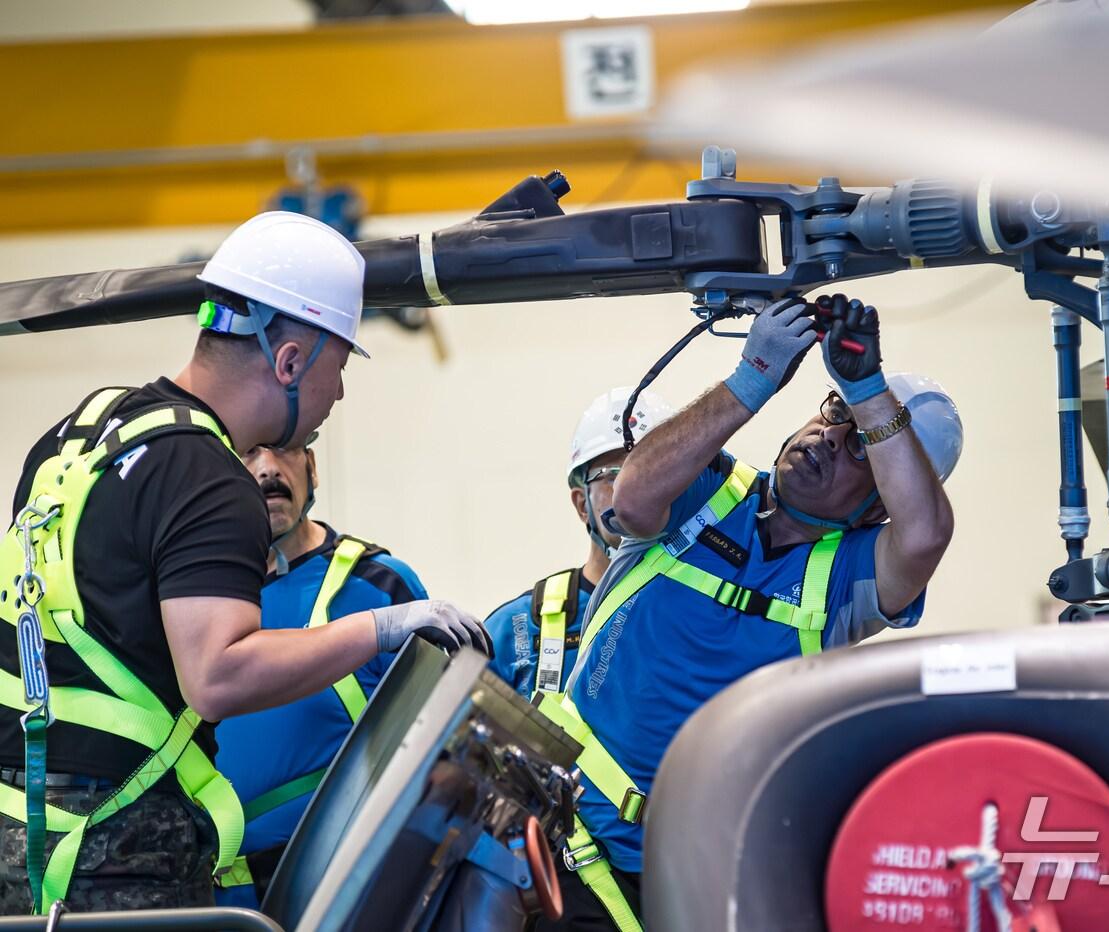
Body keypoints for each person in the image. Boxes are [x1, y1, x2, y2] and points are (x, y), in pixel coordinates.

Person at [0, 212, 488, 916]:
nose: (339, 394)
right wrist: (382, 626)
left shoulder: (81, 435)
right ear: (289, 361)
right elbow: (217, 677)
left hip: (21, 835)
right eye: (337, 368)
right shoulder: (208, 476)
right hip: (116, 854)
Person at [540, 294, 960, 931]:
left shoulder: (849, 579)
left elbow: (925, 536)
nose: (827, 438)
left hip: (693, 870)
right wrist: (751, 380)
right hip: (563, 837)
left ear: (880, 504)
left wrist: (870, 390)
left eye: (858, 450)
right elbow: (632, 495)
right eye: (832, 413)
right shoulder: (710, 489)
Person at [213, 434, 431, 907]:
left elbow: (441, 753)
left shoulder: (379, 586)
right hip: (222, 898)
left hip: (344, 890)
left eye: (286, 449)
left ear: (312, 466)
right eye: (249, 451)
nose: (269, 467)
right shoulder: (201, 603)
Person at [485, 388, 673, 700]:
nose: (638, 491)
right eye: (615, 475)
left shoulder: (712, 608)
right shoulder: (518, 629)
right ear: (581, 504)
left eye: (657, 472)